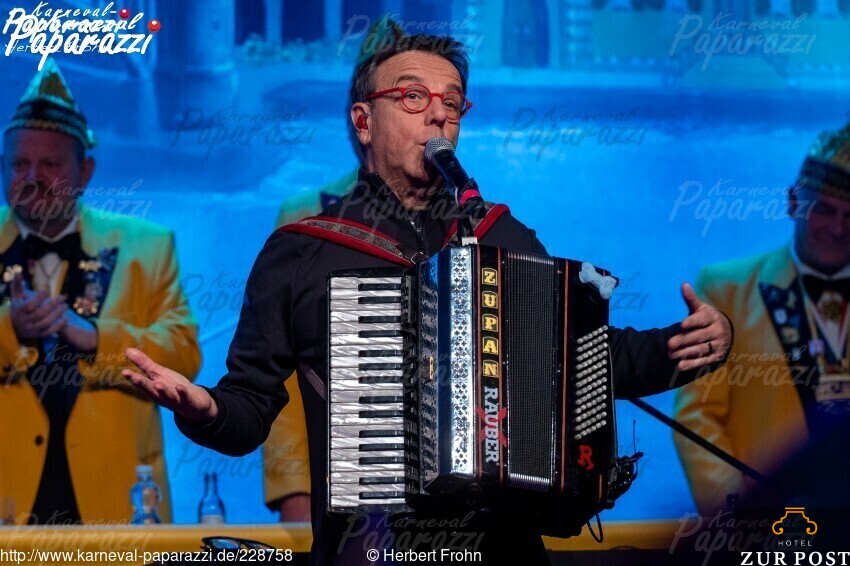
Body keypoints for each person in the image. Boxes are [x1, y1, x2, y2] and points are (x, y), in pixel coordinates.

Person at [123, 23, 732, 564]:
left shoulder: (502, 236)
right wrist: (203, 409)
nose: (438, 116)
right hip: (372, 548)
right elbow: (248, 407)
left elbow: (586, 358)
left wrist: (691, 346)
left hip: (503, 549)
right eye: (413, 97)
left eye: (452, 102)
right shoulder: (302, 252)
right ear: (364, 121)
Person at [0, 59, 201, 524]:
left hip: (121, 510)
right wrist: (10, 329)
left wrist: (96, 337)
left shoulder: (148, 246)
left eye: (50, 164)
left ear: (85, 171)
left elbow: (185, 357)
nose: (32, 178)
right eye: (19, 164)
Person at [674, 121, 850, 517]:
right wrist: (740, 517)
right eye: (824, 210)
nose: (839, 228)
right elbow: (697, 416)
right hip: (769, 525)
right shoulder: (725, 288)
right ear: (793, 202)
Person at [264, 170, 359, 524]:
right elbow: (284, 366)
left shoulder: (465, 211)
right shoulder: (305, 212)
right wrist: (295, 487)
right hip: (335, 484)